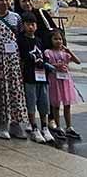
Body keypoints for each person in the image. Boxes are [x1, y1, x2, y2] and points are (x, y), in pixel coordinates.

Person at [0, 0, 28, 140]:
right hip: (0, 60)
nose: (4, 2)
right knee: (1, 91)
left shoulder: (16, 17)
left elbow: (19, 36)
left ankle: (16, 123)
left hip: (14, 61)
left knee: (15, 90)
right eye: (0, 0)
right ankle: (2, 123)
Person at [18, 12, 55, 144]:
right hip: (29, 76)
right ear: (23, 26)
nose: (31, 27)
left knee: (43, 102)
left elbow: (44, 55)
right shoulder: (21, 40)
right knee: (31, 102)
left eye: (33, 24)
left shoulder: (39, 40)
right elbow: (23, 57)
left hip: (42, 76)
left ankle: (44, 126)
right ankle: (34, 127)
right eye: (28, 24)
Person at [45, 29, 82, 140]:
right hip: (55, 80)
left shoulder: (65, 53)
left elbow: (78, 61)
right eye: (55, 39)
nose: (58, 41)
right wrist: (55, 65)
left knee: (67, 104)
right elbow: (46, 63)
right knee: (56, 105)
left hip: (65, 81)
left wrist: (69, 51)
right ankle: (58, 126)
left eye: (60, 39)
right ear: (50, 40)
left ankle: (69, 126)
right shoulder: (48, 52)